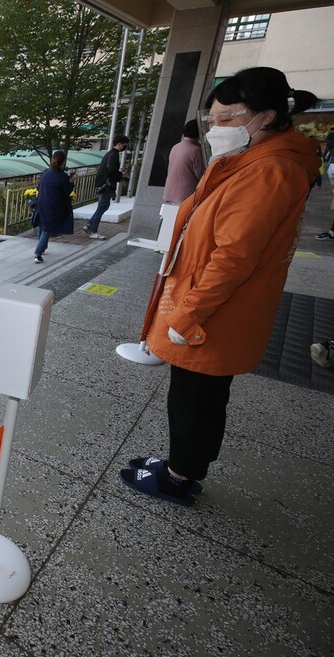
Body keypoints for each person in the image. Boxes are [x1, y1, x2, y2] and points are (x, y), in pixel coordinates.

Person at [121, 67, 320, 506]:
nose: (217, 129)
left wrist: (186, 314)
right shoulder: (255, 161)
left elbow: (233, 257)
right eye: (213, 119)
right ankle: (185, 464)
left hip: (214, 312)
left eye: (228, 119)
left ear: (265, 117)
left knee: (195, 398)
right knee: (200, 395)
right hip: (215, 306)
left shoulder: (269, 172)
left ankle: (177, 478)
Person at [83, 135, 130, 239]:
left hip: (102, 185)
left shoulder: (109, 154)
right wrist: (121, 175)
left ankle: (89, 225)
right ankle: (93, 230)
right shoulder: (114, 155)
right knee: (102, 208)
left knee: (102, 207)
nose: (125, 146)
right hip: (106, 186)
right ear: (119, 144)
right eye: (124, 144)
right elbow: (112, 171)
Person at [32, 150, 76, 263]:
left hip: (41, 203)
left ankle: (42, 248)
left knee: (43, 226)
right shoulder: (62, 176)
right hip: (54, 206)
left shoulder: (46, 172)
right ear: (63, 162)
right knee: (47, 229)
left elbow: (39, 186)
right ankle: (38, 253)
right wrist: (71, 180)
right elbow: (67, 191)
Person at [163, 120, 206, 204]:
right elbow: (200, 174)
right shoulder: (196, 150)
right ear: (199, 133)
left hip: (170, 192)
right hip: (186, 195)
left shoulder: (175, 147)